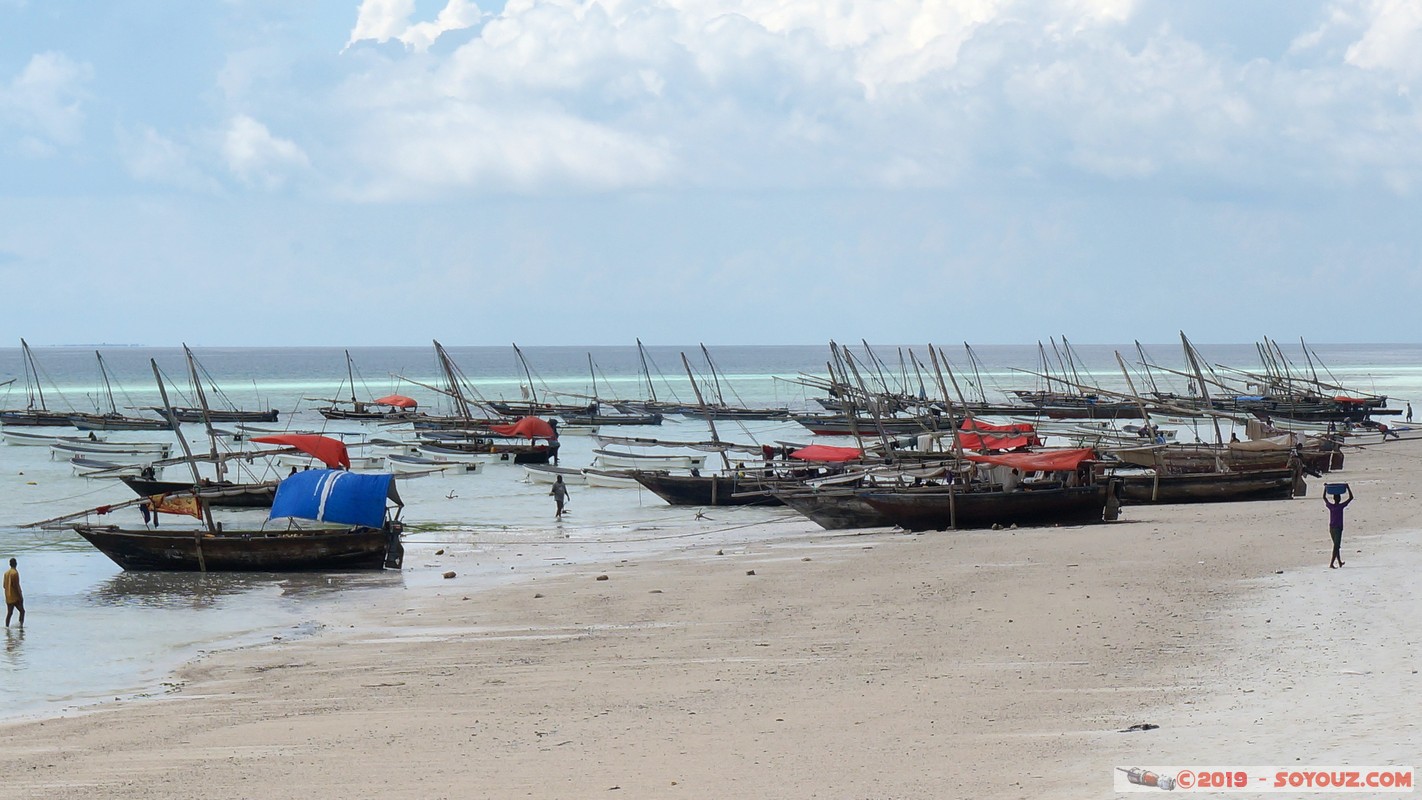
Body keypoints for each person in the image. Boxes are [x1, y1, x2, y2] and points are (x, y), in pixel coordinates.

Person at [1324, 487, 1353, 569]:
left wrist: (1325, 489)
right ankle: (1331, 564)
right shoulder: (1340, 506)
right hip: (1338, 528)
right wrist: (1348, 488)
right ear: (1339, 499)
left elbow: (1324, 498)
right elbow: (1351, 498)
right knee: (1336, 546)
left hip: (1332, 527)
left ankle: (1339, 562)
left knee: (1336, 545)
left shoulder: (1331, 506)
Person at [4, 558, 23, 628]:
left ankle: (6, 627)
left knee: (9, 613)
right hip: (15, 597)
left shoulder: (6, 573)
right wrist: (20, 596)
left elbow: (4, 585)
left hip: (8, 597)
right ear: (16, 564)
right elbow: (16, 586)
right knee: (22, 611)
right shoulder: (15, 573)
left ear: (9, 564)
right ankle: (21, 626)